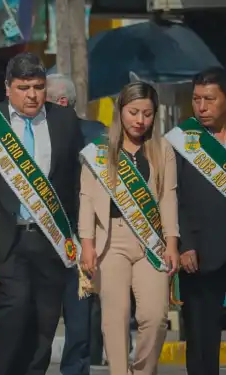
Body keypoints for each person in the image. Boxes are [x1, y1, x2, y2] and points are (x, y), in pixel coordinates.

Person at [0, 52, 85, 375]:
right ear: (8, 88)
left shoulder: (64, 121)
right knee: (15, 310)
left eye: (38, 86)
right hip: (9, 237)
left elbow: (74, 180)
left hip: (51, 238)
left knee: (45, 322)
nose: (32, 94)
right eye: (23, 87)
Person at [78, 81, 180, 375]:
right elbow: (86, 199)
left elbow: (168, 198)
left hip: (152, 242)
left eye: (147, 114)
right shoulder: (98, 152)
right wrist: (87, 243)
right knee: (115, 317)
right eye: (134, 112)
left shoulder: (163, 150)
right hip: (111, 240)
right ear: (120, 111)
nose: (140, 120)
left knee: (156, 316)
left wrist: (172, 242)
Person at [167, 67, 226, 375]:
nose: (202, 107)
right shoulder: (182, 140)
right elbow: (172, 197)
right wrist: (185, 244)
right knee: (201, 339)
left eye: (210, 99)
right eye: (196, 99)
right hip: (200, 253)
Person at [45, 72, 97, 375]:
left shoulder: (97, 135)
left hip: (82, 243)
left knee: (79, 324)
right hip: (45, 240)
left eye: (46, 99)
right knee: (39, 323)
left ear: (62, 102)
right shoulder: (34, 132)